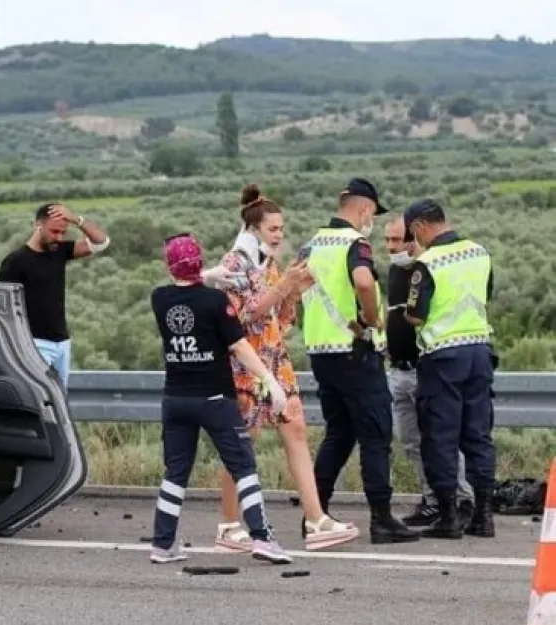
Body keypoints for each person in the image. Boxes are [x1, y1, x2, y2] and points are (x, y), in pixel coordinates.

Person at [212, 184, 360, 553]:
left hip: (276, 360)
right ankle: (229, 525)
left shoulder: (270, 263)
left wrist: (294, 290)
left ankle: (316, 519)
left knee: (296, 431)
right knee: (241, 444)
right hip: (245, 363)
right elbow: (243, 316)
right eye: (273, 229)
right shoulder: (235, 263)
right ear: (254, 228)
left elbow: (282, 317)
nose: (280, 235)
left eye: (281, 228)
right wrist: (284, 288)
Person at [148, 232, 292, 566]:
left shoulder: (160, 299)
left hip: (176, 399)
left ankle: (162, 543)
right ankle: (261, 537)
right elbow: (239, 347)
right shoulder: (215, 304)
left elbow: (183, 283)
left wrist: (205, 274)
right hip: (214, 399)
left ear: (170, 265)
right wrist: (269, 380)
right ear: (199, 260)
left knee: (175, 472)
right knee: (243, 466)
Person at [299, 178, 418, 544]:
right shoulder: (355, 244)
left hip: (321, 352)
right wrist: (370, 319)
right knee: (375, 434)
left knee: (339, 432)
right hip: (356, 350)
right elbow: (365, 283)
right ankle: (381, 518)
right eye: (372, 213)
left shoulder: (312, 244)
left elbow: (294, 285)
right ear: (364, 209)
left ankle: (314, 514)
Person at [402, 198, 496, 539]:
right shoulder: (479, 252)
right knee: (478, 435)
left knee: (440, 437)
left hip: (442, 357)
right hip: (479, 352)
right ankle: (484, 516)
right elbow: (485, 295)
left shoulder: (426, 263)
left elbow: (416, 315)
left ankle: (449, 517)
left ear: (418, 228)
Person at [383, 215, 475, 528]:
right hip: (398, 369)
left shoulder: (429, 269)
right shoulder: (396, 273)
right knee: (410, 441)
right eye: (388, 241)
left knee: (439, 439)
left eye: (398, 240)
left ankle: (460, 500)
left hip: (426, 368)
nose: (392, 247)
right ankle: (432, 500)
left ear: (415, 238)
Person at [0, 203, 109, 389]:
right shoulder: (15, 261)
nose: (58, 237)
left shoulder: (58, 251)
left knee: (59, 400)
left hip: (62, 343)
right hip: (34, 343)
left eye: (63, 232)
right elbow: (3, 306)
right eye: (54, 231)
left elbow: (101, 242)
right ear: (37, 225)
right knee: (41, 399)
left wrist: (77, 220)